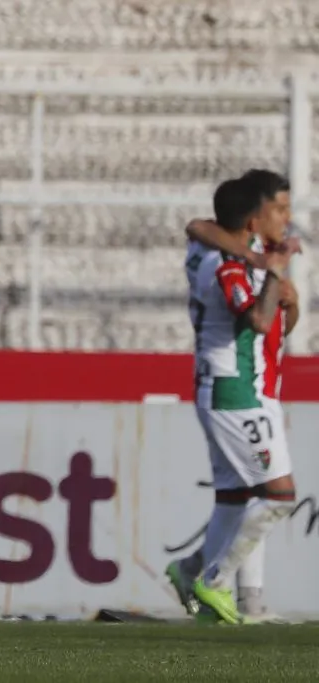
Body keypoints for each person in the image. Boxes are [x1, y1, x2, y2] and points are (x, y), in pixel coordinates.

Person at [170, 170, 298, 622]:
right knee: (278, 495)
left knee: (236, 497)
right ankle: (216, 581)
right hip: (236, 388)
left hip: (242, 385)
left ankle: (198, 574)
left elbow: (277, 323)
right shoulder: (225, 261)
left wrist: (287, 297)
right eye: (279, 209)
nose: (287, 218)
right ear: (253, 217)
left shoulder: (245, 250)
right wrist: (271, 272)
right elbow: (257, 320)